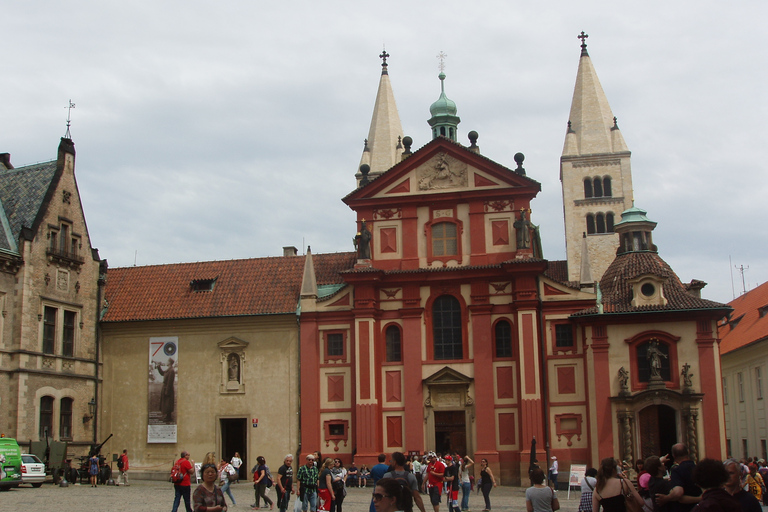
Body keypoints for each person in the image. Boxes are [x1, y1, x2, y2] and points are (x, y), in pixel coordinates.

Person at [656, 444, 702, 512]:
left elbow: (678, 492)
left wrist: (667, 498)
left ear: (674, 455)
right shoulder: (699, 468)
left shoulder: (677, 470)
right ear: (688, 453)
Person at [156, 357, 176, 422]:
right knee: (166, 403)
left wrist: (167, 391)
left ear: (169, 362)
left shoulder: (171, 370)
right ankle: (168, 416)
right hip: (165, 388)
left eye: (167, 361)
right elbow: (162, 373)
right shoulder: (169, 370)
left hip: (168, 389)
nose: (166, 362)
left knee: (168, 403)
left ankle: (169, 417)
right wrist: (158, 367)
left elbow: (170, 382)